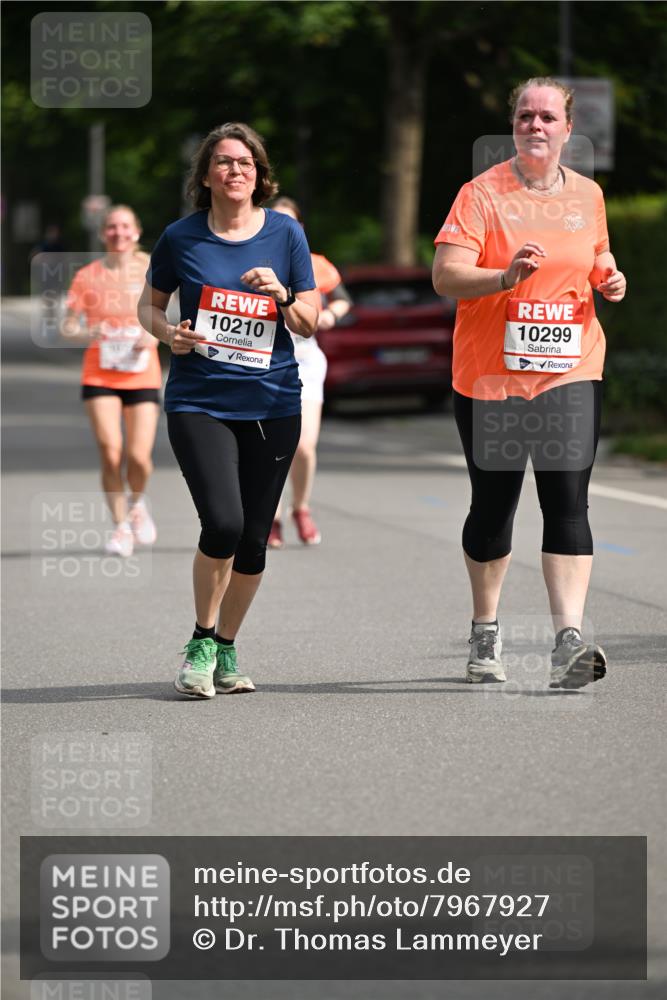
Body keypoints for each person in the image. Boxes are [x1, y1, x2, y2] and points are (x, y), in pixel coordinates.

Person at [432, 77, 626, 689]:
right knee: (494, 509)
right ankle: (485, 626)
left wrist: (610, 278)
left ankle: (568, 638)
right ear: (512, 127)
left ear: (569, 129)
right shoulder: (481, 194)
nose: (535, 126)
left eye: (547, 117)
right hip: (492, 377)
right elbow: (445, 275)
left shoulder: (588, 195)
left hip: (571, 368)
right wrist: (503, 277)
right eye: (524, 117)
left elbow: (596, 257)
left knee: (567, 501)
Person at [137, 122, 319, 699]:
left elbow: (310, 322)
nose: (235, 171)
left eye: (245, 163)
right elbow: (148, 305)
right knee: (224, 522)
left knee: (254, 540)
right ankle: (201, 640)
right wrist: (169, 334)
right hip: (199, 399)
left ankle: (227, 646)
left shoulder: (286, 235)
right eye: (223, 162)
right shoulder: (181, 237)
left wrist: (283, 295)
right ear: (207, 175)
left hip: (272, 401)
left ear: (259, 174)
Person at [61, 205, 160, 557]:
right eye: (111, 227)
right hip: (100, 373)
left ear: (136, 231)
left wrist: (154, 335)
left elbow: (169, 312)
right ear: (104, 234)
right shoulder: (87, 275)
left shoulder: (153, 268)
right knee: (110, 450)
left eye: (125, 226)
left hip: (141, 373)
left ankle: (137, 503)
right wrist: (90, 329)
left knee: (139, 457)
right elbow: (67, 326)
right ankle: (120, 527)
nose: (118, 232)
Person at [267, 196, 352, 548]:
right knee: (270, 447)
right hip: (264, 362)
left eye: (292, 222)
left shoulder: (317, 265)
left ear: (300, 227)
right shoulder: (255, 263)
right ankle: (270, 515)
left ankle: (300, 507)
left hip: (305, 360)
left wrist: (331, 315)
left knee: (303, 446)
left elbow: (342, 298)